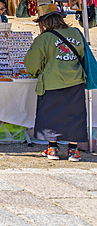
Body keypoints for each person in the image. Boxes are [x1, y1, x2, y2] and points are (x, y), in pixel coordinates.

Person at [24, 11, 89, 161]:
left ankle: (52, 148)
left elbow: (32, 63)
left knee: (50, 115)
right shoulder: (76, 33)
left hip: (52, 82)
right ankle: (74, 151)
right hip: (76, 81)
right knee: (75, 115)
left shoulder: (44, 38)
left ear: (44, 22)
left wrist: (36, 72)